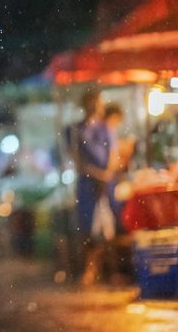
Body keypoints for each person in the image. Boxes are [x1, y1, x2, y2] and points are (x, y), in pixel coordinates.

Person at [68, 90, 112, 285]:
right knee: (86, 227)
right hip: (86, 183)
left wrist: (106, 175)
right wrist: (95, 174)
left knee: (106, 228)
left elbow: (113, 154)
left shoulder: (105, 128)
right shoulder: (75, 129)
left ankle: (103, 269)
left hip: (106, 183)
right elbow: (76, 159)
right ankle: (88, 268)